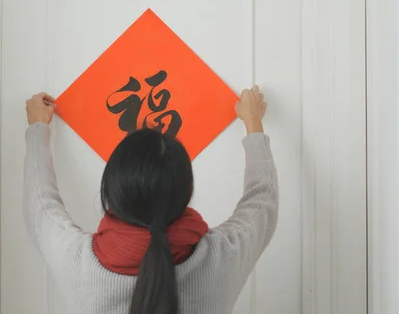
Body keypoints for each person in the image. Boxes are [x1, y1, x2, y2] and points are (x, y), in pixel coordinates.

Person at [23, 85, 278, 314]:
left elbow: (41, 203)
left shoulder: (75, 260)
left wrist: (38, 129)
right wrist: (253, 123)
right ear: (186, 192)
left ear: (110, 190)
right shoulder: (223, 255)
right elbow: (262, 198)